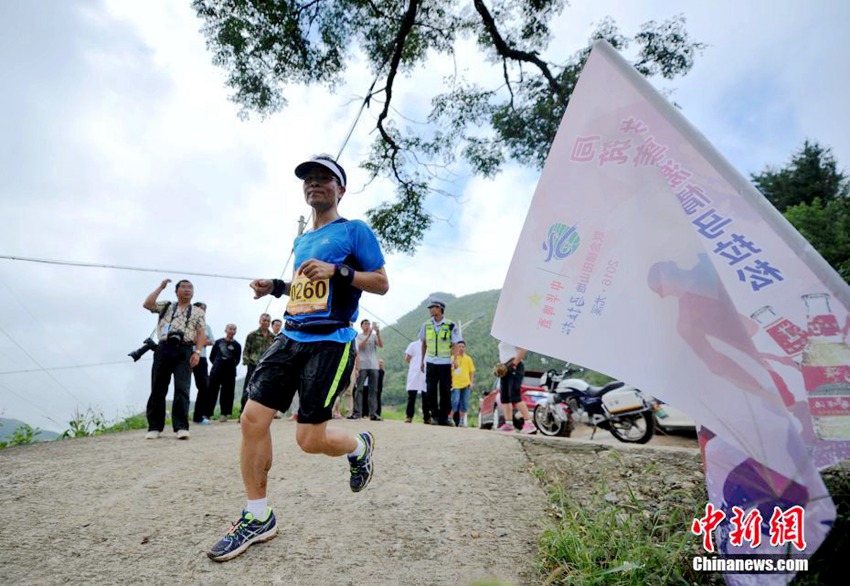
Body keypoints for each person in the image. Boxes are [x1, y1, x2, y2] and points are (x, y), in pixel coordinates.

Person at [207, 154, 389, 562]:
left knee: (309, 440)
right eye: (308, 179)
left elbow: (380, 283)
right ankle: (258, 516)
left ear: (340, 189)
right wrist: (275, 286)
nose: (314, 184)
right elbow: (304, 287)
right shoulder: (302, 240)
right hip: (290, 336)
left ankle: (358, 447)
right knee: (252, 418)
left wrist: (339, 273)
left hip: (330, 342)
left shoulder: (355, 231)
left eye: (325, 179)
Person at [142, 278, 207, 440]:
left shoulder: (198, 312)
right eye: (183, 287)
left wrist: (197, 352)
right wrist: (160, 287)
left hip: (185, 350)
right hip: (164, 348)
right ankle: (155, 426)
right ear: (176, 291)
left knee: (182, 388)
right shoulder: (167, 306)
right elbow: (147, 304)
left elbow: (200, 333)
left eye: (190, 287)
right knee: (158, 388)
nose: (187, 290)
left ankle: (181, 427)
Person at [419, 298, 462, 426]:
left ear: (440, 309)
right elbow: (424, 344)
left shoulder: (450, 325)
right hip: (431, 362)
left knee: (445, 390)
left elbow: (455, 344)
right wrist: (422, 361)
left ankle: (444, 417)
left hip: (445, 363)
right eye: (430, 308)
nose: (431, 310)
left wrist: (454, 359)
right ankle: (435, 416)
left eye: (433, 307)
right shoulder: (426, 325)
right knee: (431, 390)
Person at [497, 340, 536, 434]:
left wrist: (515, 363)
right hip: (505, 367)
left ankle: (529, 423)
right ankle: (509, 424)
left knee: (515, 396)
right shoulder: (502, 337)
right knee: (505, 397)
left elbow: (523, 349)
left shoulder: (514, 335)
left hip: (514, 366)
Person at [240, 313, 274, 413]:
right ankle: (243, 411)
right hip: (253, 364)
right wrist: (247, 361)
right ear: (260, 321)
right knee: (248, 388)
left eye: (268, 321)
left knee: (264, 389)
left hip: (266, 366)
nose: (266, 323)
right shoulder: (252, 335)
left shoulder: (273, 337)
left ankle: (261, 412)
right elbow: (246, 350)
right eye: (264, 320)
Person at [208, 324, 242, 422]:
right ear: (226, 330)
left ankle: (225, 414)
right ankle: (208, 413)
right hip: (216, 371)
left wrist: (229, 365)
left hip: (230, 372)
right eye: (230, 329)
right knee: (211, 392)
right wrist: (218, 364)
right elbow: (212, 357)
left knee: (227, 393)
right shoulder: (218, 342)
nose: (232, 331)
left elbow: (238, 359)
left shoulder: (237, 345)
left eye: (234, 329)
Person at [352, 319, 383, 420]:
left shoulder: (374, 336)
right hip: (362, 365)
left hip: (374, 365)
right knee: (359, 389)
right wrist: (368, 336)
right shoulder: (358, 336)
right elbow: (360, 347)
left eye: (369, 324)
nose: (367, 326)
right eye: (365, 324)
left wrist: (378, 334)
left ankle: (373, 413)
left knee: (373, 390)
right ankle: (357, 413)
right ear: (361, 326)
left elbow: (381, 345)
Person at [191, 302, 215, 425]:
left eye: (204, 310)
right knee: (182, 386)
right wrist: (200, 340)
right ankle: (179, 417)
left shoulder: (207, 327)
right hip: (186, 357)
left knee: (204, 386)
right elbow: (189, 339)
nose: (202, 311)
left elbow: (212, 340)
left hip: (202, 358)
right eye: (200, 309)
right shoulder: (187, 324)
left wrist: (199, 341)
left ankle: (198, 416)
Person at [450, 341, 476, 427]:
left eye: (463, 347)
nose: (461, 348)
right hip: (455, 384)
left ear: (465, 348)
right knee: (455, 401)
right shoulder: (452, 358)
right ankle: (450, 418)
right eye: (459, 346)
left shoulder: (468, 359)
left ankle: (461, 421)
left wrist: (471, 382)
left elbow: (472, 371)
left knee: (464, 403)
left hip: (466, 384)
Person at [404, 339, 426, 423]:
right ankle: (409, 416)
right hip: (414, 372)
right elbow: (407, 358)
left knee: (426, 396)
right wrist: (415, 364)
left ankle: (427, 417)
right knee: (412, 395)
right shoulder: (413, 345)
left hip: (425, 372)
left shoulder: (430, 345)